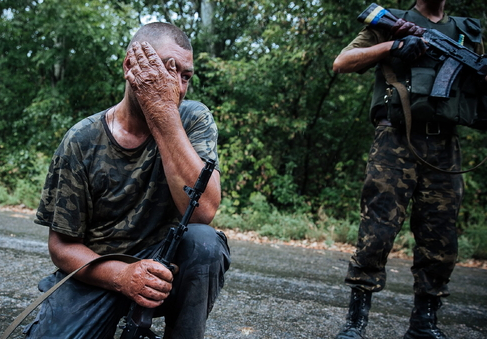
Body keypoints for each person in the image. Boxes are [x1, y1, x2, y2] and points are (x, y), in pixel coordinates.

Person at [23, 22, 231, 339]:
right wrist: (123, 276)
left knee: (205, 243)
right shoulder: (81, 139)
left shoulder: (192, 119)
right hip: (101, 271)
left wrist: (163, 116)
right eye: (165, 69)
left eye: (185, 75)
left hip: (166, 266)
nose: (175, 84)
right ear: (130, 65)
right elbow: (62, 246)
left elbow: (203, 211)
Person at [332, 1, 486, 338]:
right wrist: (394, 46)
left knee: (440, 239)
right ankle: (356, 323)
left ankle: (424, 323)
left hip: (444, 146)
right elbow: (342, 61)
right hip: (394, 141)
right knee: (377, 231)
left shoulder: (466, 32)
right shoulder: (394, 22)